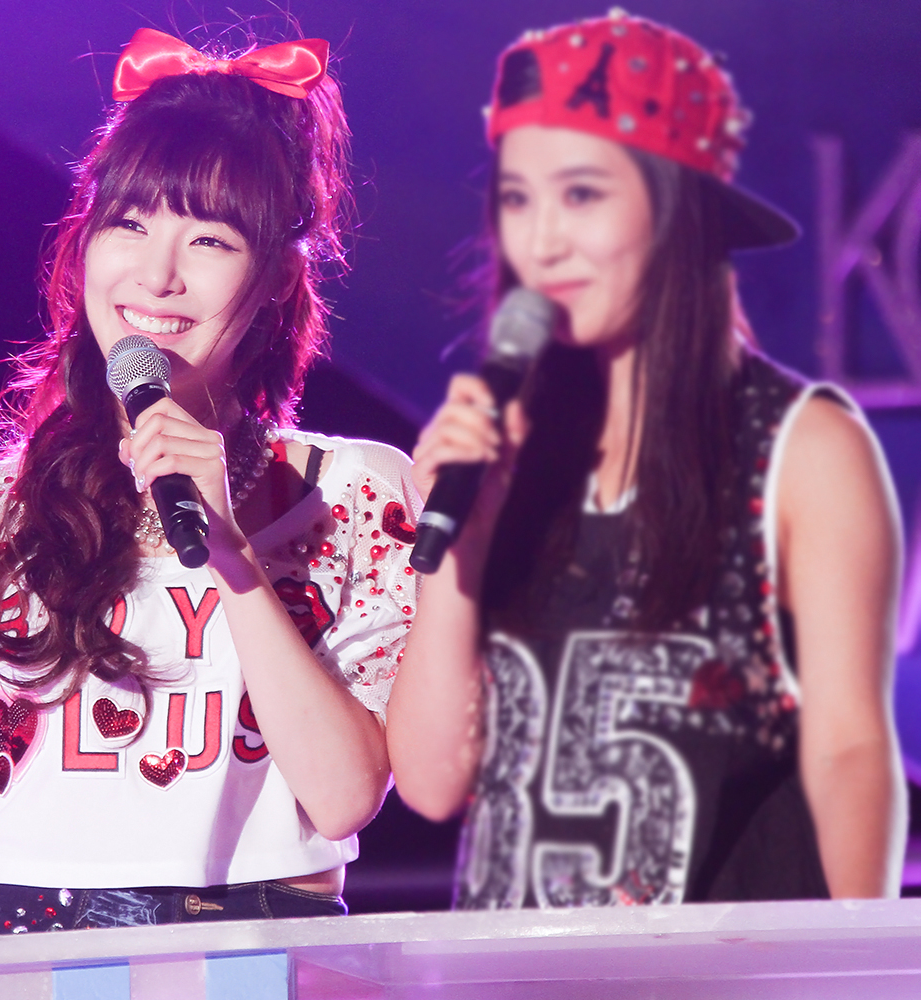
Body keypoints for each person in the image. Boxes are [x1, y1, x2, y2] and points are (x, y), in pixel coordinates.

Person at [0, 27, 420, 933]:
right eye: (131, 224)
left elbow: (343, 796)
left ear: (275, 277)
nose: (157, 275)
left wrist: (231, 554)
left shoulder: (351, 494)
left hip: (255, 942)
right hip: (29, 946)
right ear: (85, 242)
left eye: (210, 239)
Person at [387, 9, 906, 907]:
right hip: (515, 968)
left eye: (582, 194)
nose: (542, 241)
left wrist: (852, 964)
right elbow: (433, 785)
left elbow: (850, 750)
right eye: (518, 199)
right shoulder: (514, 447)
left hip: (724, 965)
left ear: (678, 208)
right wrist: (460, 553)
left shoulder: (801, 445)